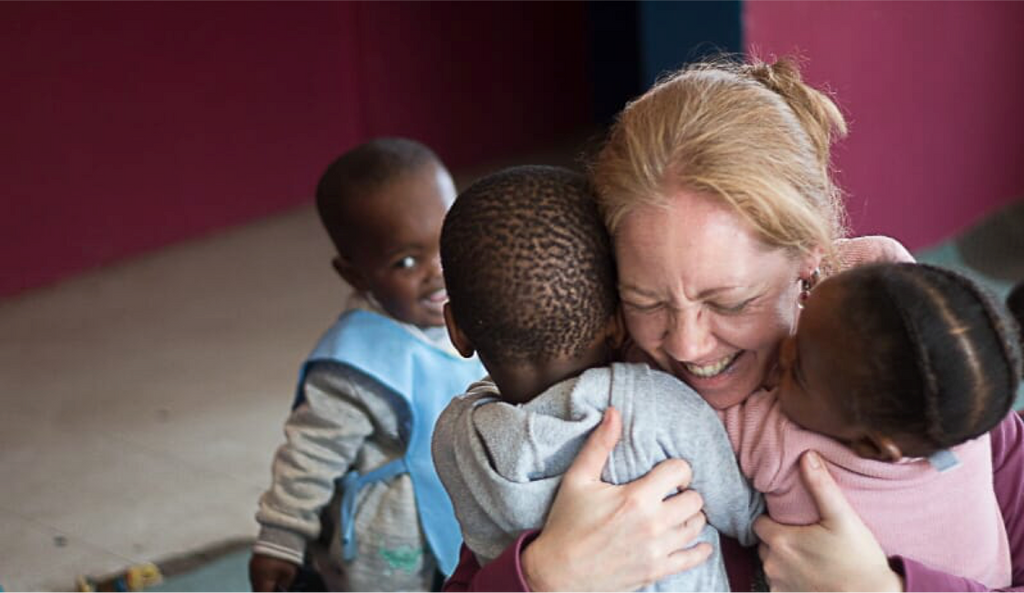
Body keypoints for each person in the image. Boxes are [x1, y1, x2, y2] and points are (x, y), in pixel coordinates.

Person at [442, 57, 1024, 593]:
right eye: (647, 301)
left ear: (810, 258)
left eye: (730, 302)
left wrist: (885, 589)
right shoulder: (582, 412)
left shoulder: (910, 374)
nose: (688, 345)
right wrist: (543, 577)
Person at [432, 165, 763, 591]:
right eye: (648, 299)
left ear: (456, 331)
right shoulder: (652, 405)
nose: (688, 343)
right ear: (618, 321)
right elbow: (746, 513)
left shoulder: (455, 439)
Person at [249, 138, 485, 593]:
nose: (438, 271)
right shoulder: (353, 366)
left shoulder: (480, 308)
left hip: (471, 523)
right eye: (407, 261)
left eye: (447, 243)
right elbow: (309, 459)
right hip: (392, 557)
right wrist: (280, 539)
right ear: (356, 274)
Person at [722, 262, 1021, 587]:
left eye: (798, 372)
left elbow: (692, 414)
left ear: (871, 446)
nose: (784, 348)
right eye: (805, 303)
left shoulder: (783, 442)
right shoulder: (962, 424)